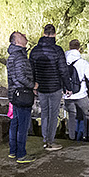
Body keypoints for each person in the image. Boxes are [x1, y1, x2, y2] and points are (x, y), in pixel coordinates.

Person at [28, 23, 68, 151]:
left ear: (43, 33)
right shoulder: (57, 50)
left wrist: (34, 85)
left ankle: (45, 139)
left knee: (44, 113)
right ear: (55, 34)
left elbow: (31, 70)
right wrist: (68, 86)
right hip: (55, 87)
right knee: (53, 113)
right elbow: (63, 70)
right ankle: (50, 141)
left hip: (41, 87)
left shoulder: (34, 50)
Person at [6, 31, 35, 164]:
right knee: (22, 125)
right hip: (22, 94)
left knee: (15, 123)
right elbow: (20, 77)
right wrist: (33, 85)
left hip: (15, 94)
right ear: (17, 41)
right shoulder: (19, 57)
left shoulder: (13, 56)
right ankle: (21, 154)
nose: (25, 36)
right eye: (22, 35)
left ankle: (13, 151)